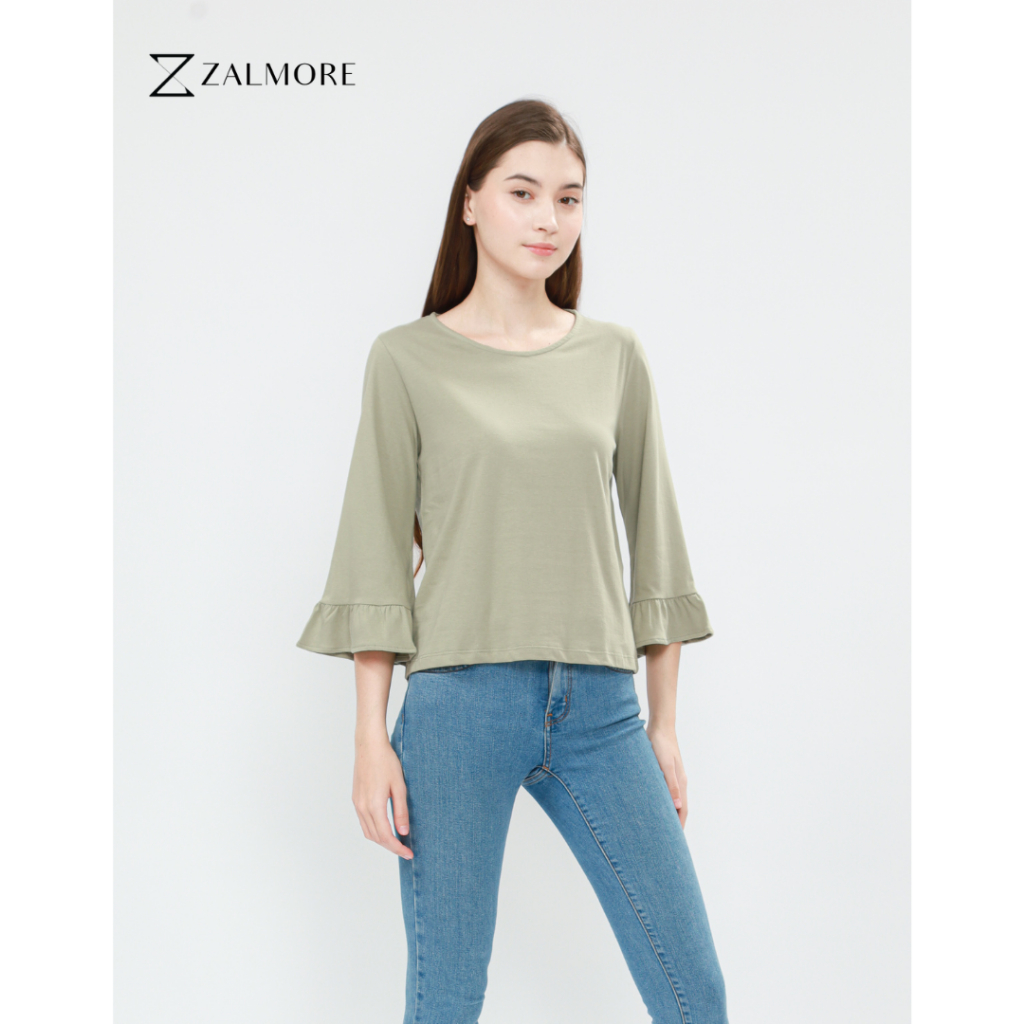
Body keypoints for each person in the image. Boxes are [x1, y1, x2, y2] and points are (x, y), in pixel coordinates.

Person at [297, 98, 729, 1024]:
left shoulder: (614, 356)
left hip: (602, 710)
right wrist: (370, 736)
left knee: (694, 993)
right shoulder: (405, 360)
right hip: (458, 707)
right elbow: (374, 551)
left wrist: (664, 723)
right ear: (470, 203)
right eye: (523, 193)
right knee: (447, 1000)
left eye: (569, 199)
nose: (549, 219)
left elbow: (657, 546)